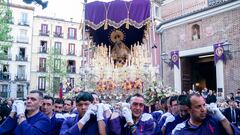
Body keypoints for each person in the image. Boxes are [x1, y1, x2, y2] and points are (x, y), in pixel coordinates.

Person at [172, 93, 240, 135]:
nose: (203, 109)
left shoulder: (213, 122)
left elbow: (232, 133)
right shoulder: (182, 131)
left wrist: (222, 118)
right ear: (189, 110)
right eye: (198, 107)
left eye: (204, 105)